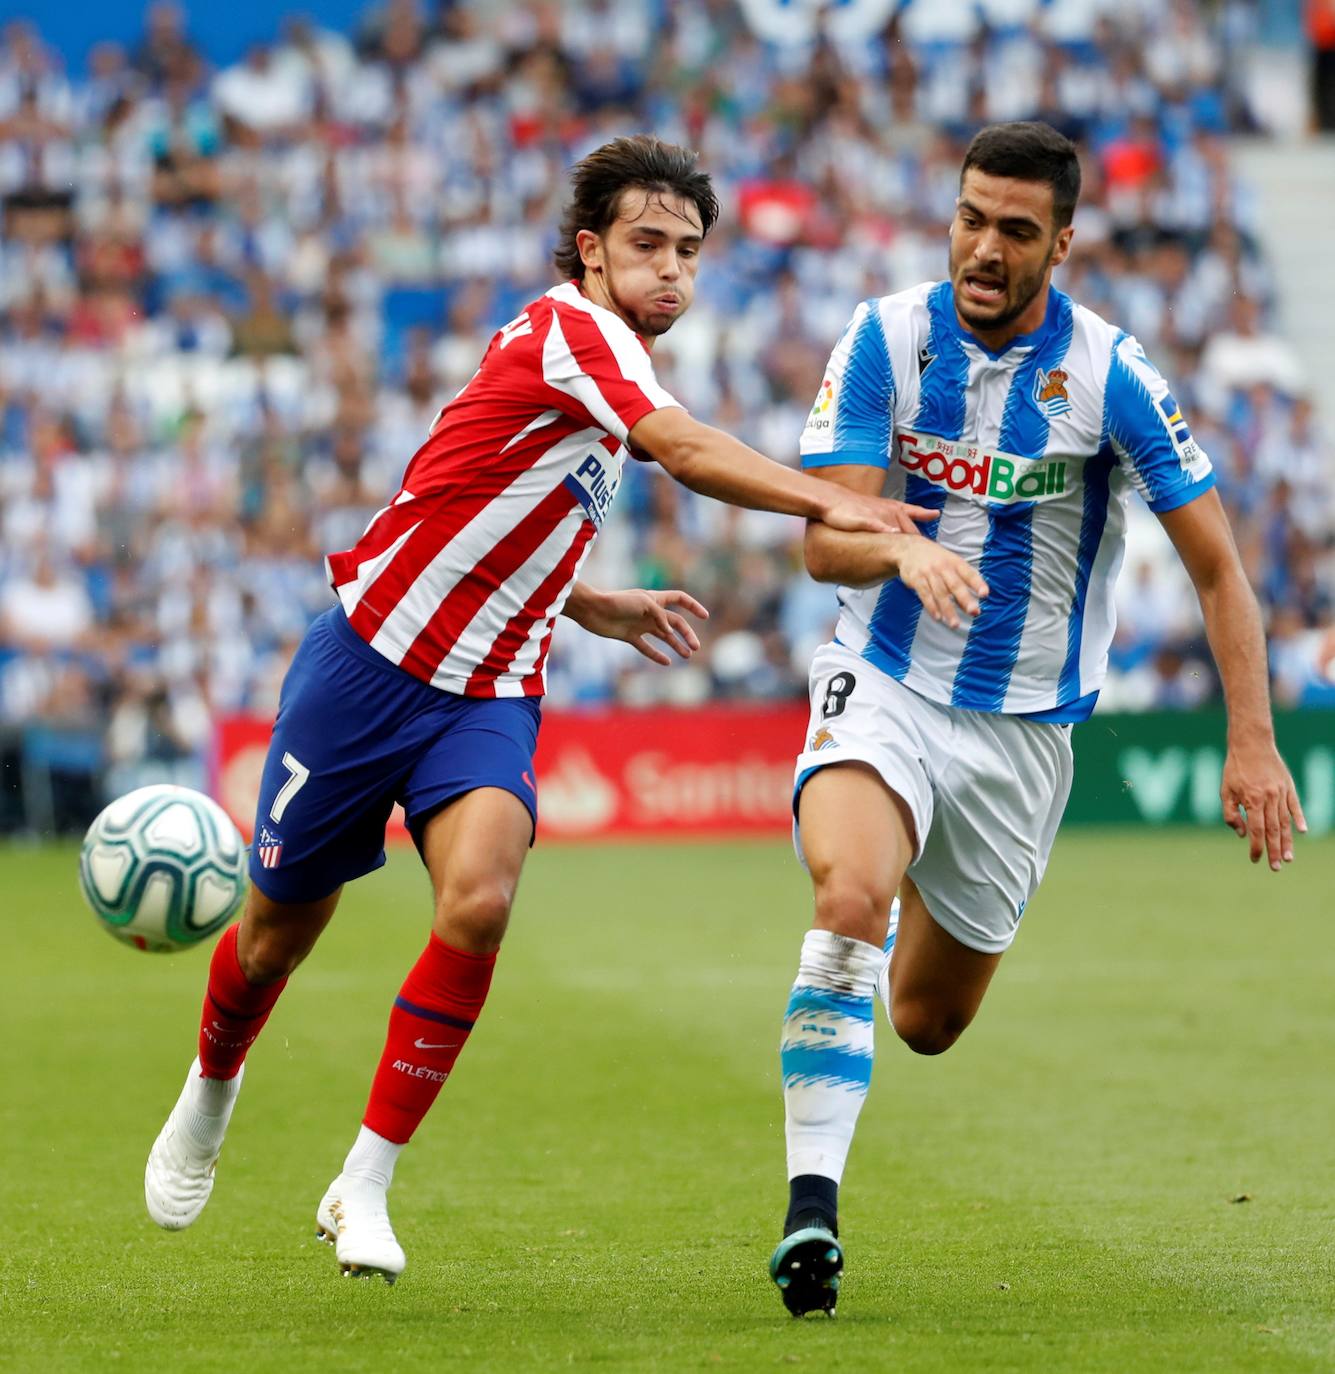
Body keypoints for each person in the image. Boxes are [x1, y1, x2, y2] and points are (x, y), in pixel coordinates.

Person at [143, 134, 971, 1283]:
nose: (673, 269)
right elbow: (678, 448)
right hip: (367, 664)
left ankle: (364, 1182)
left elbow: (484, 500)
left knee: (479, 899)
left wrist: (586, 603)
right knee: (276, 932)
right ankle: (211, 1088)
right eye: (647, 245)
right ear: (589, 252)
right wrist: (850, 510)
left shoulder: (596, 352)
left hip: (490, 683)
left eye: (689, 250)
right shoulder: (574, 333)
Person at [767, 121, 1307, 1318]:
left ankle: (891, 912)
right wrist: (898, 553)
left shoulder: (1113, 375)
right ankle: (812, 1211)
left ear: (1063, 241)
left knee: (924, 1021)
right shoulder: (884, 338)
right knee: (848, 898)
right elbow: (819, 540)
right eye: (971, 218)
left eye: (1016, 229)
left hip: (1023, 733)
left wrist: (1254, 740)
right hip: (889, 680)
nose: (984, 247)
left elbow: (1219, 570)